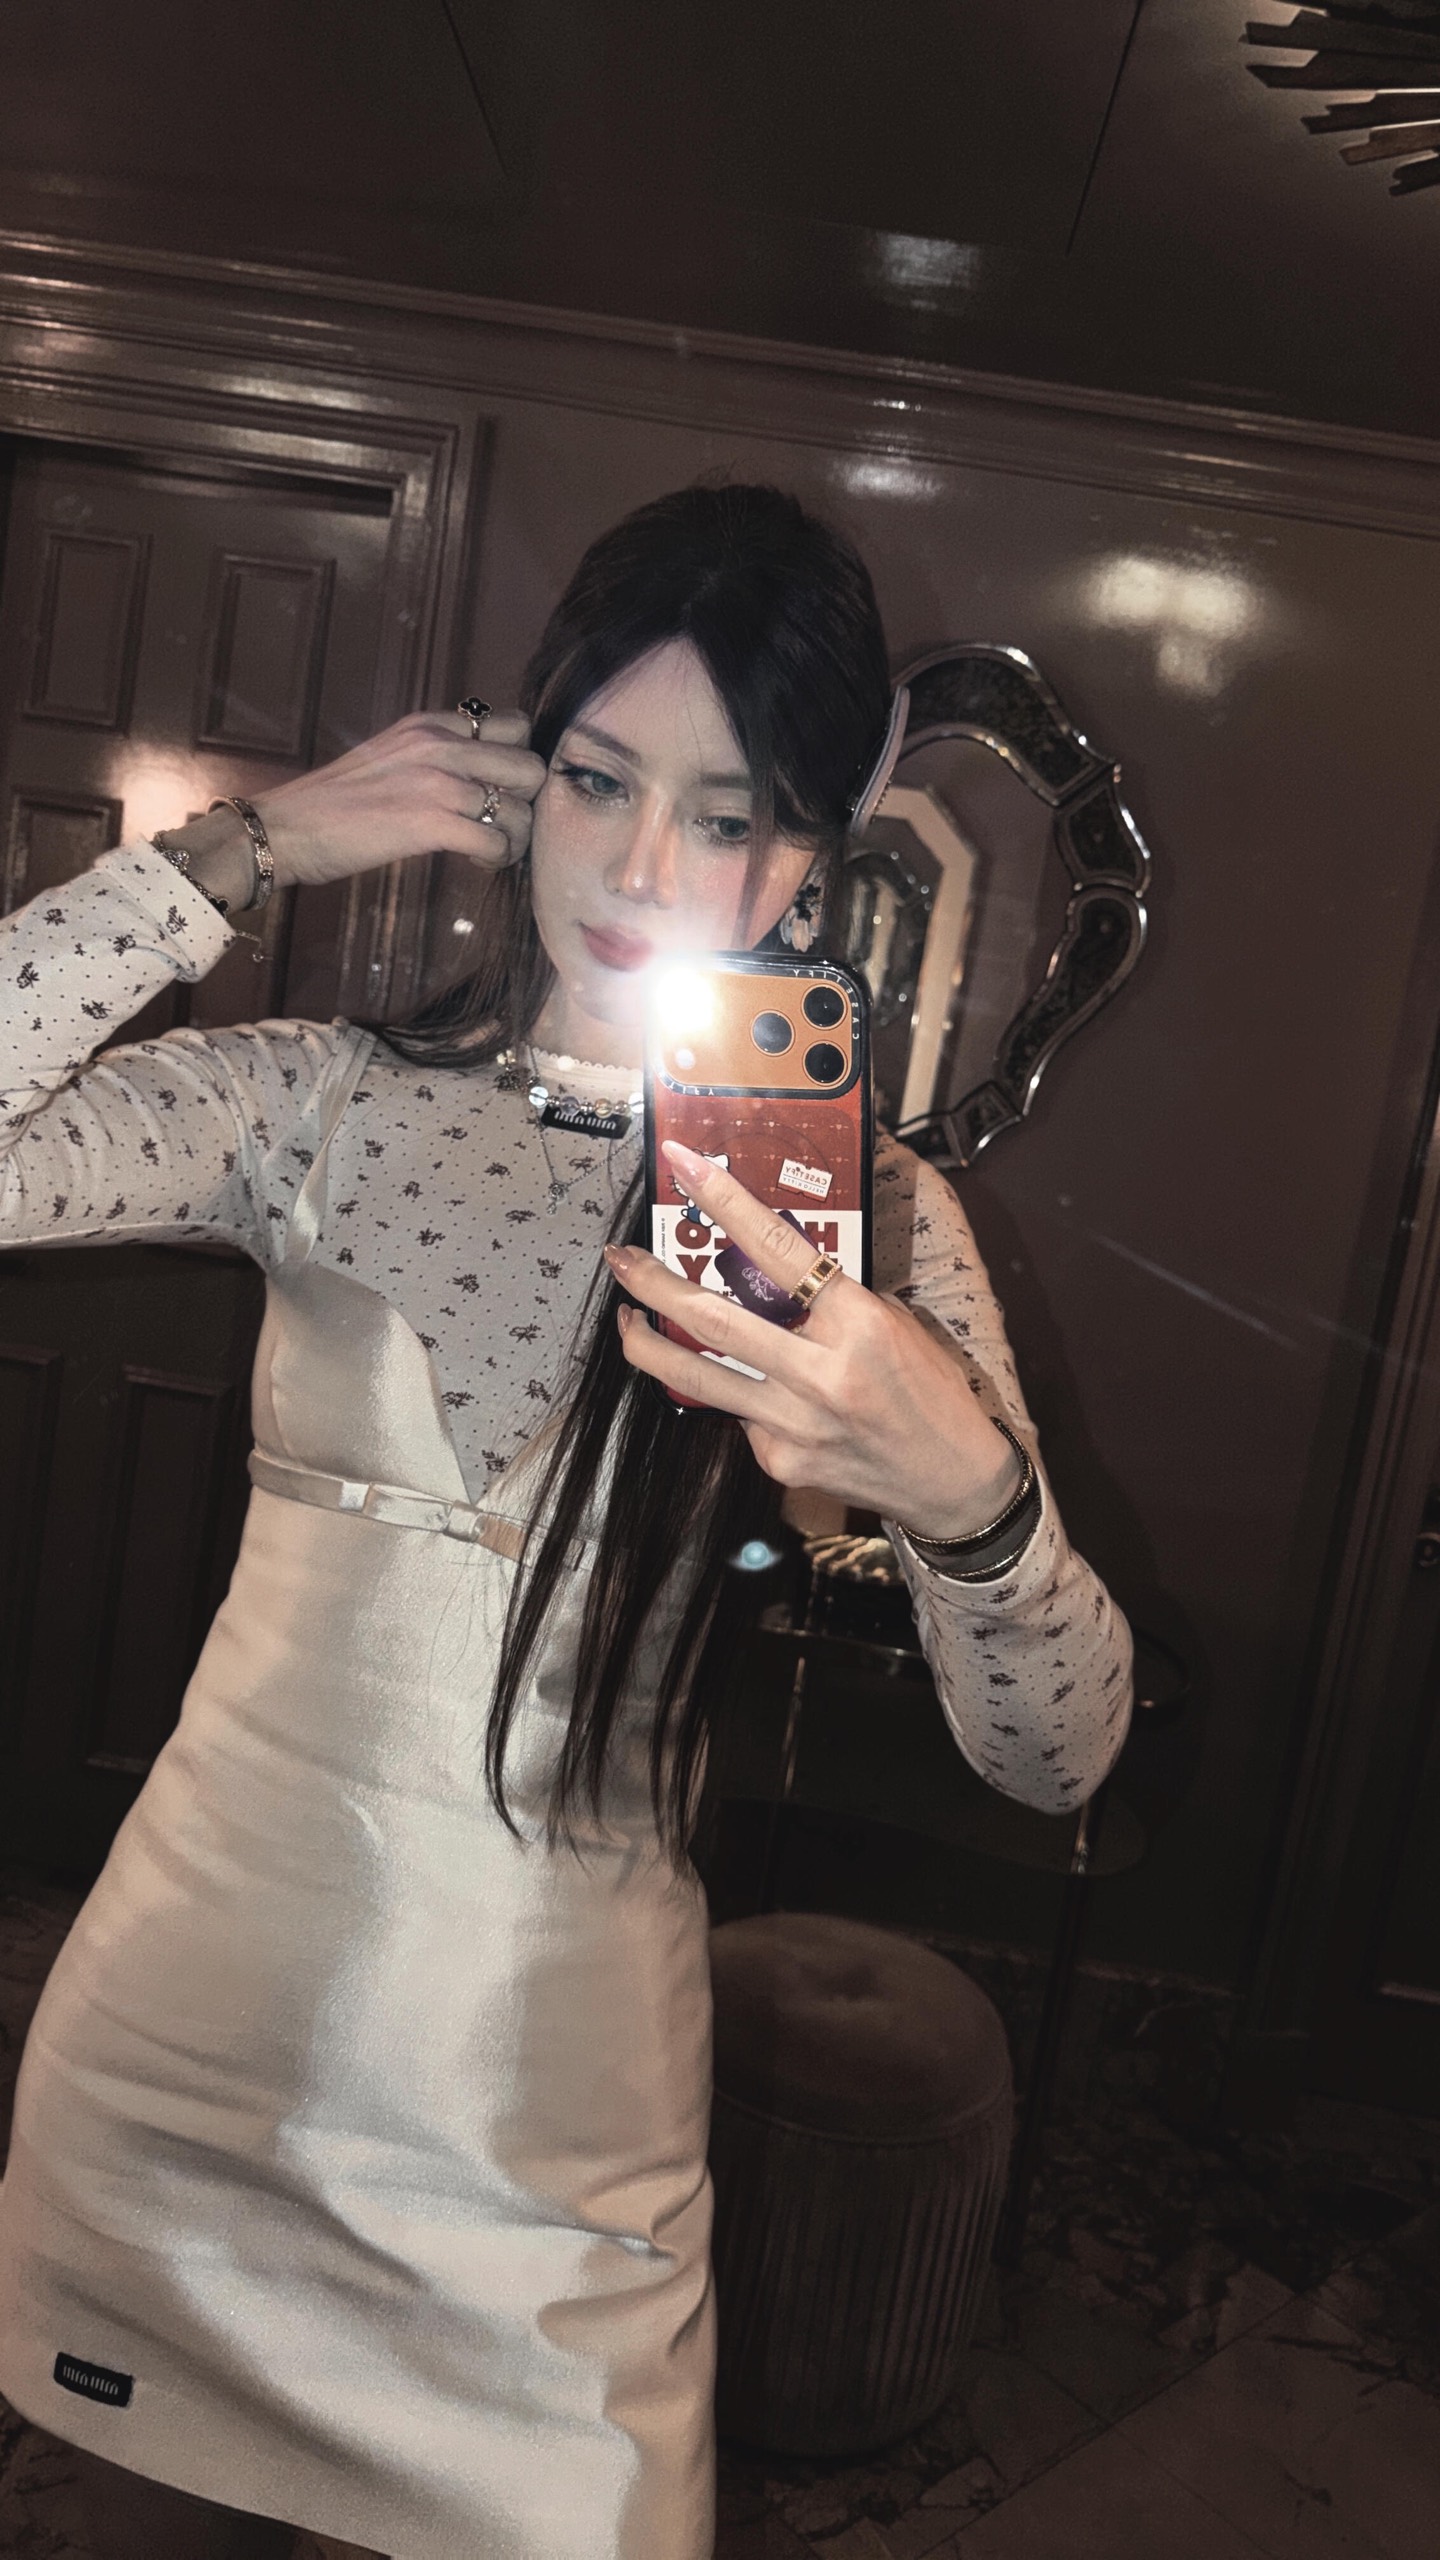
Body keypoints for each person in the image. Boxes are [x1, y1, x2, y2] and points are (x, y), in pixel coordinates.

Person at [0, 483, 1131, 2560]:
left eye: (731, 814)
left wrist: (964, 1491)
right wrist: (242, 851)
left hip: (553, 2152)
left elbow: (1057, 1754)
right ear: (517, 772)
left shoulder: (873, 1227)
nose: (639, 868)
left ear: (817, 851)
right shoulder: (319, 1102)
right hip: (182, 2079)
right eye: (599, 779)